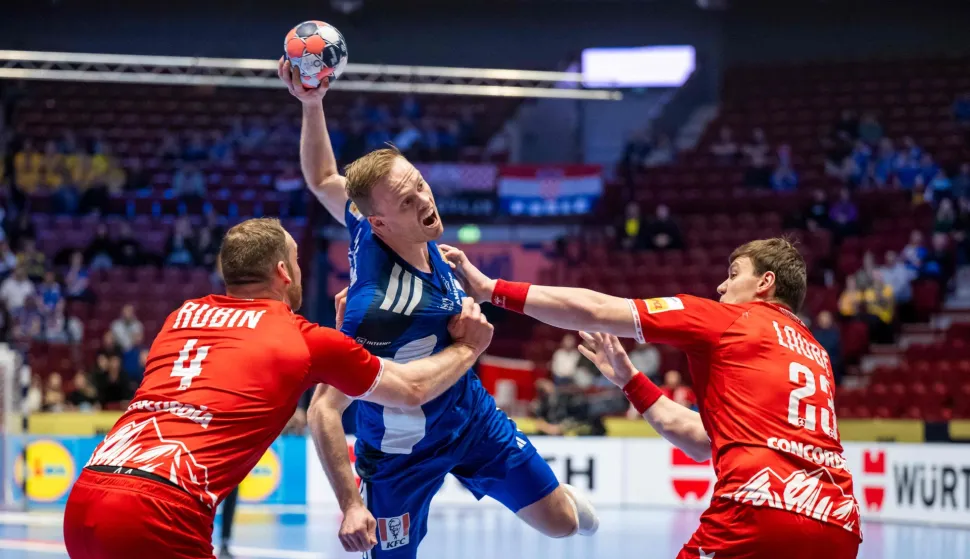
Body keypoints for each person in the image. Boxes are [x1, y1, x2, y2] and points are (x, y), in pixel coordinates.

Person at [280, 59, 597, 558]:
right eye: (408, 203)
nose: (426, 202)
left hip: (471, 421)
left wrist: (312, 103)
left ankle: (549, 497)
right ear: (380, 223)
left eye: (421, 186)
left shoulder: (371, 227)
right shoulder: (375, 312)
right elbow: (323, 410)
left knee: (562, 525)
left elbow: (322, 178)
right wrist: (349, 506)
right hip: (399, 458)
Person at [62, 217, 495, 559]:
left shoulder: (181, 317)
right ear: (284, 271)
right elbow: (412, 389)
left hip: (85, 500)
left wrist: (341, 338)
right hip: (158, 512)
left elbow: (242, 362)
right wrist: (468, 349)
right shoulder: (305, 339)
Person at [443, 237, 860, 559]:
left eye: (734, 274)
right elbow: (700, 439)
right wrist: (630, 380)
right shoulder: (816, 353)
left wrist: (492, 289)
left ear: (765, 283)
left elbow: (595, 309)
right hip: (840, 524)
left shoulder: (729, 318)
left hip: (760, 508)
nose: (721, 285)